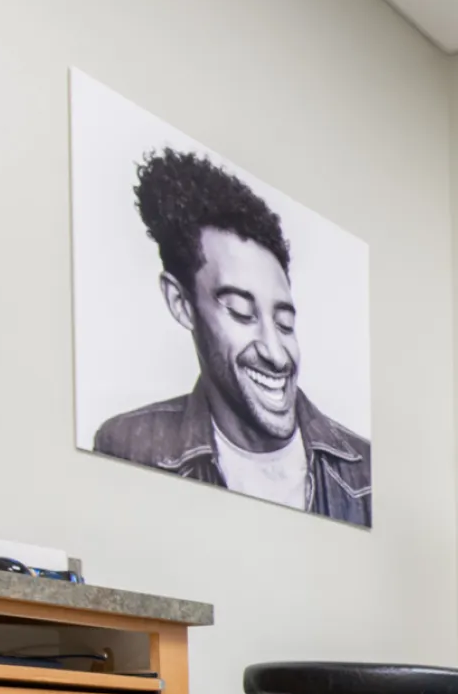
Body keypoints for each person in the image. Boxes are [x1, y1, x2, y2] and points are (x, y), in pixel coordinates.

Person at [94, 149, 372, 526]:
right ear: (181, 303)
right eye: (242, 313)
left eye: (285, 322)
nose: (276, 352)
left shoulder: (364, 473)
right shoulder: (128, 445)